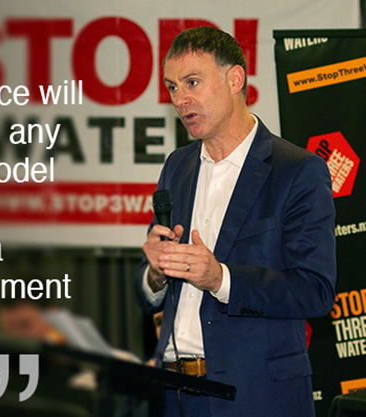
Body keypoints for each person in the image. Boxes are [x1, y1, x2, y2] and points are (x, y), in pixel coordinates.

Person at [135, 26, 336, 417]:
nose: (180, 99)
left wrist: (221, 279)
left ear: (235, 79)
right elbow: (147, 290)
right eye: (172, 87)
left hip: (254, 396)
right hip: (175, 395)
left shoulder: (296, 170)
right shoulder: (177, 167)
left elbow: (315, 290)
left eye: (192, 82)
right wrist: (155, 274)